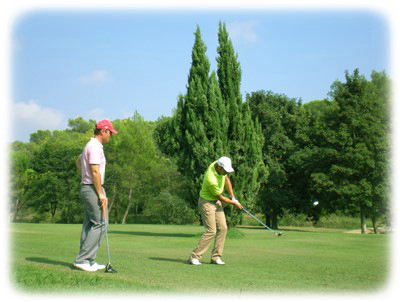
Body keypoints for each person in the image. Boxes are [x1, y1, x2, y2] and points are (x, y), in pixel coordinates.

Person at [73, 120, 118, 272]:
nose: (111, 135)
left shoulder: (90, 145)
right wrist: (100, 193)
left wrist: (84, 178)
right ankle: (82, 260)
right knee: (101, 223)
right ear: (103, 131)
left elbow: (79, 162)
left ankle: (89, 260)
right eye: (110, 132)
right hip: (93, 188)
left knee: (90, 224)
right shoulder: (94, 147)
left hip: (88, 187)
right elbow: (94, 171)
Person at [188, 156, 243, 265]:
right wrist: (234, 203)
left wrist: (233, 196)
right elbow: (220, 197)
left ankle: (216, 257)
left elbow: (226, 179)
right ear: (218, 167)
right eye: (225, 170)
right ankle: (194, 257)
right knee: (211, 230)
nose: (226, 172)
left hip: (215, 202)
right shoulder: (211, 178)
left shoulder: (220, 167)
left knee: (223, 228)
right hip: (207, 202)